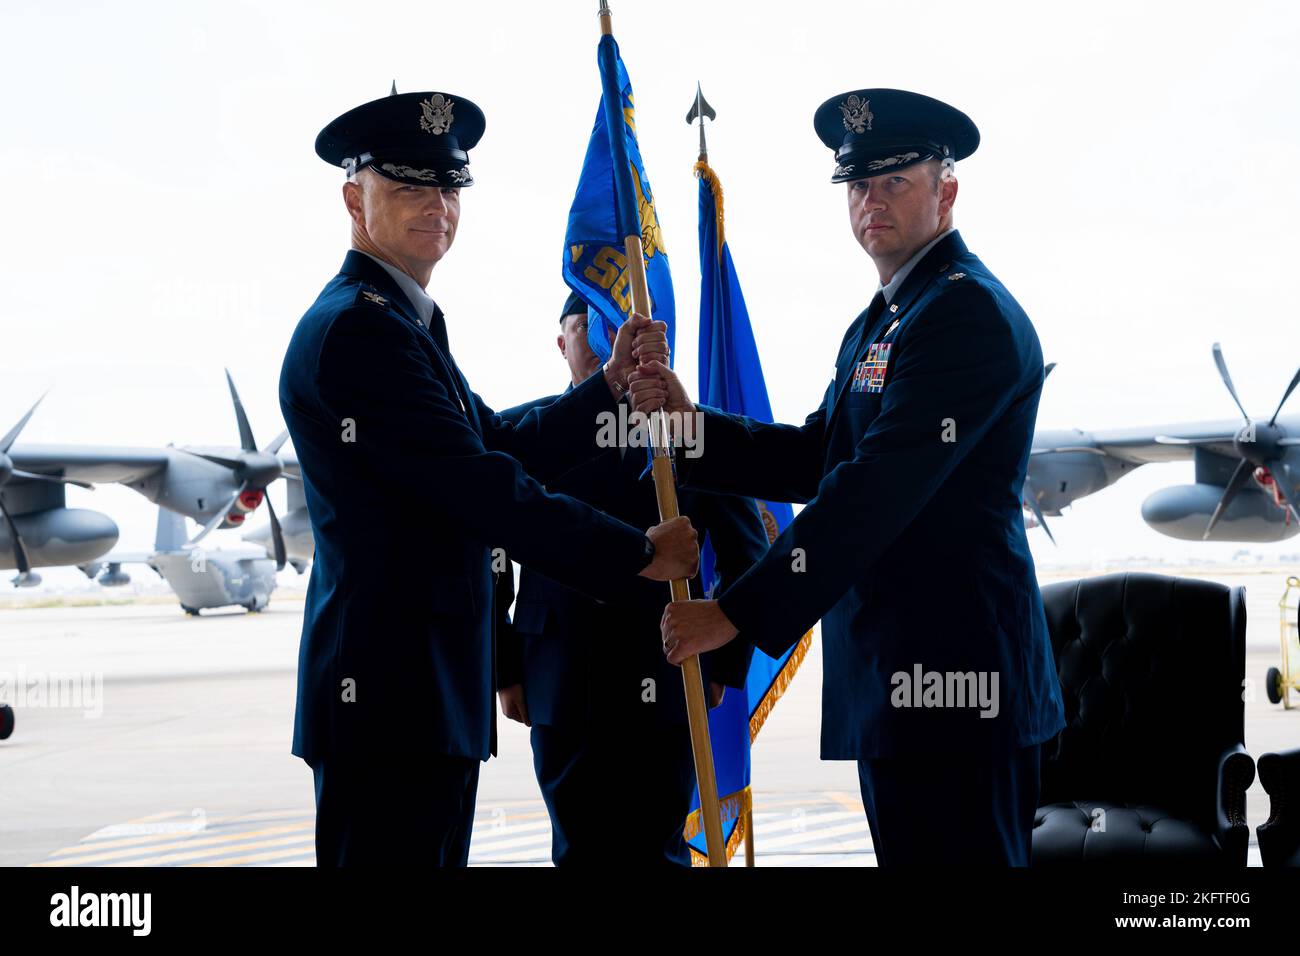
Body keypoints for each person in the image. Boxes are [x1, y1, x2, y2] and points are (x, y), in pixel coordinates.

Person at [630, 88, 1066, 866]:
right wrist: (690, 430)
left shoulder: (965, 317)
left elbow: (871, 492)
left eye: (896, 181)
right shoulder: (884, 320)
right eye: (859, 185)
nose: (873, 201)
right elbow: (817, 454)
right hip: (894, 688)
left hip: (960, 690)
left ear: (947, 190)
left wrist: (734, 612)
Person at [279, 88, 697, 867]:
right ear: (352, 197)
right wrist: (636, 553)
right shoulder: (359, 331)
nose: (436, 205)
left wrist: (603, 386)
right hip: (388, 697)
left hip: (424, 696)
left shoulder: (400, 321)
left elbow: (497, 440)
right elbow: (480, 487)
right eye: (408, 185)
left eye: (448, 186)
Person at [493, 293, 769, 866]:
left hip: (666, 672)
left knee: (657, 851)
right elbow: (491, 550)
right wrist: (503, 667)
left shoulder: (684, 431)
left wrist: (722, 661)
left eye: (613, 328)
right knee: (578, 852)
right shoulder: (525, 433)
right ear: (560, 342)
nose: (600, 341)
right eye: (583, 327)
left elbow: (748, 549)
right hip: (560, 680)